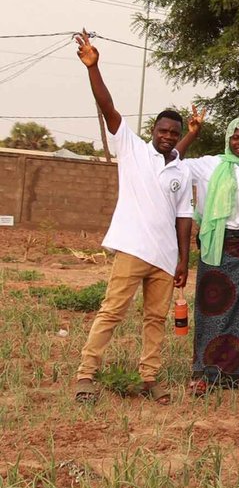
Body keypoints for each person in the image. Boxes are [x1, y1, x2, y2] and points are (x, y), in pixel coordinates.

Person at [70, 32, 193, 404]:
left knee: (155, 321)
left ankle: (150, 379)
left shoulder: (181, 171)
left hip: (164, 257)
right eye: (162, 131)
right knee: (111, 312)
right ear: (152, 131)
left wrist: (183, 259)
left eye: (174, 132)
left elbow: (184, 217)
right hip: (132, 250)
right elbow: (108, 107)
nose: (168, 136)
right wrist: (94, 68)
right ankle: (85, 375)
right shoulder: (132, 149)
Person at [176, 110, 239, 394]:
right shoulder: (209, 165)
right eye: (236, 137)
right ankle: (204, 372)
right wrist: (192, 132)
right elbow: (174, 158)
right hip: (217, 245)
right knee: (212, 309)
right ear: (228, 139)